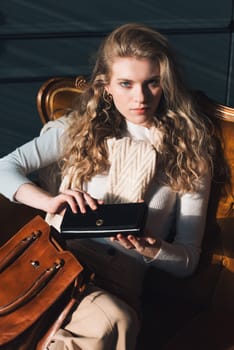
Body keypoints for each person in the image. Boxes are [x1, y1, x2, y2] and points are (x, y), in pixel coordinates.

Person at [0, 23, 217, 349]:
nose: (140, 97)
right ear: (106, 86)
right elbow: (4, 168)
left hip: (115, 287)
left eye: (152, 83)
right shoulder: (77, 130)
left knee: (114, 320)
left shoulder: (189, 155)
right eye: (126, 84)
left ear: (165, 84)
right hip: (51, 267)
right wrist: (50, 202)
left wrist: (150, 248)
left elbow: (188, 262)